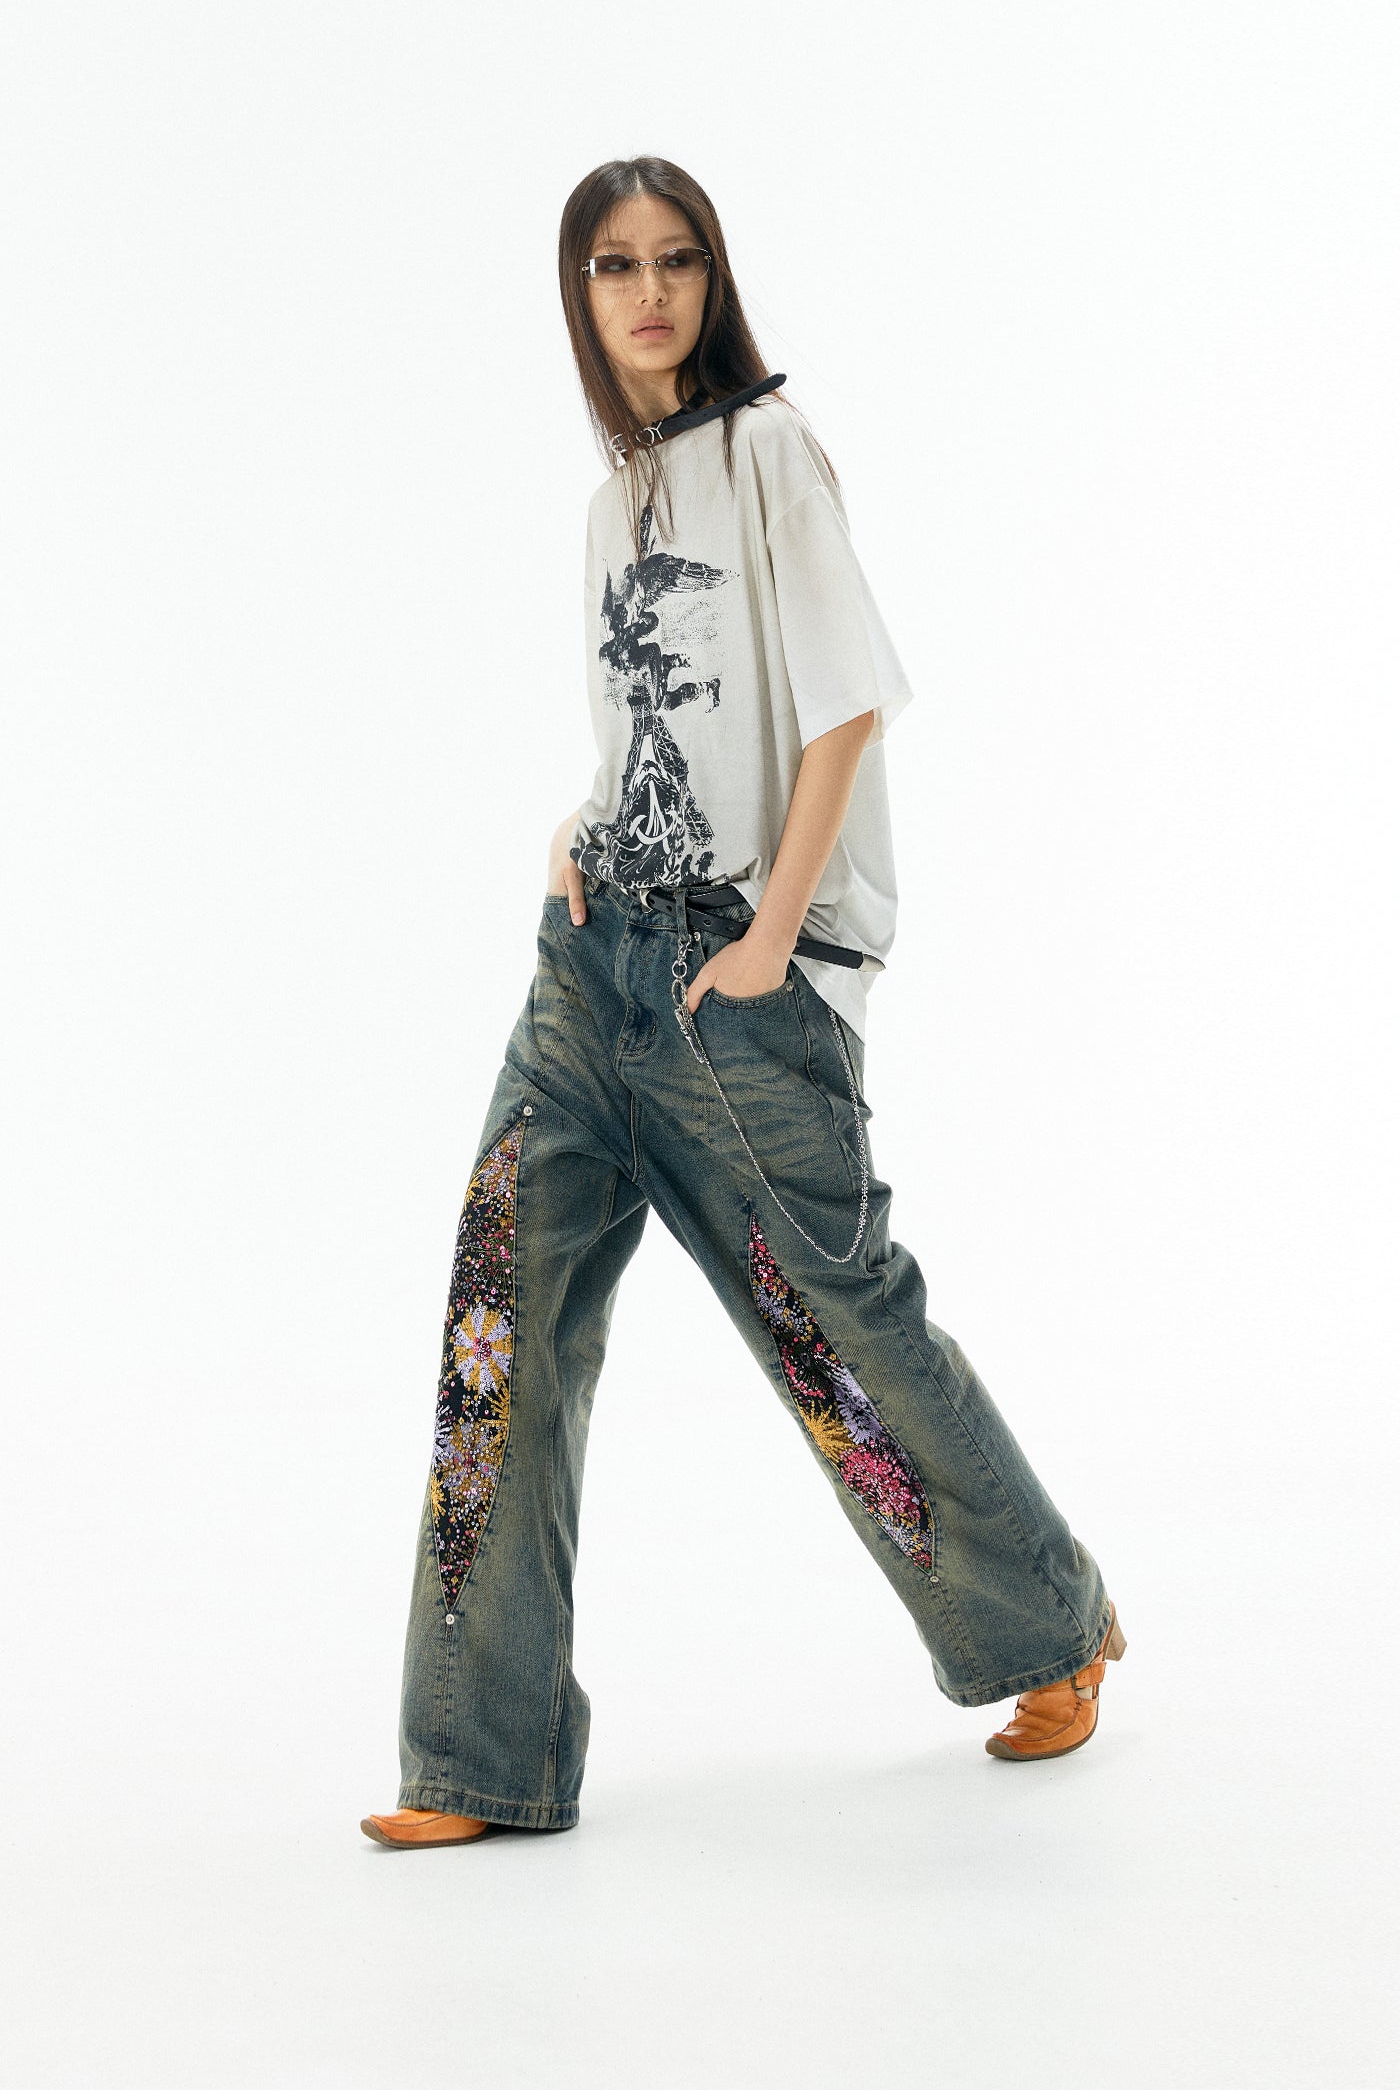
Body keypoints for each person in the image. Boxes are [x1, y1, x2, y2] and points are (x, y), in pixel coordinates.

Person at [361, 156, 1125, 1852]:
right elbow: (659, 729)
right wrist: (576, 825)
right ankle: (477, 1759)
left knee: (835, 1328)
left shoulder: (770, 449)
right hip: (587, 973)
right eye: (613, 266)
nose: (648, 294)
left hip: (734, 983)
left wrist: (775, 934)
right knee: (500, 1324)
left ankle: (1049, 1625)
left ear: (713, 280)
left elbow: (845, 706)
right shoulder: (613, 499)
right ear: (579, 295)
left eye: (677, 260)